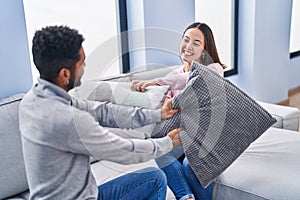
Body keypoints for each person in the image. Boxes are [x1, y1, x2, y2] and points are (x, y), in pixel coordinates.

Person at [19, 25, 182, 200]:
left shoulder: (31, 101)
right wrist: (167, 143)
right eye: (81, 64)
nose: (84, 68)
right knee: (155, 180)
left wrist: (157, 115)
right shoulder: (69, 120)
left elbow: (104, 112)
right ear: (65, 74)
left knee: (154, 178)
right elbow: (124, 151)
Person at [130, 22, 226, 200]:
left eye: (196, 43)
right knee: (158, 148)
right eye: (186, 40)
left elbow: (190, 79)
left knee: (192, 164)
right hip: (182, 136)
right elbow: (169, 109)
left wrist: (156, 81)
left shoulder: (214, 69)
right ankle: (186, 197)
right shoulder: (174, 75)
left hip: (205, 138)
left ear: (205, 50)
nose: (188, 47)